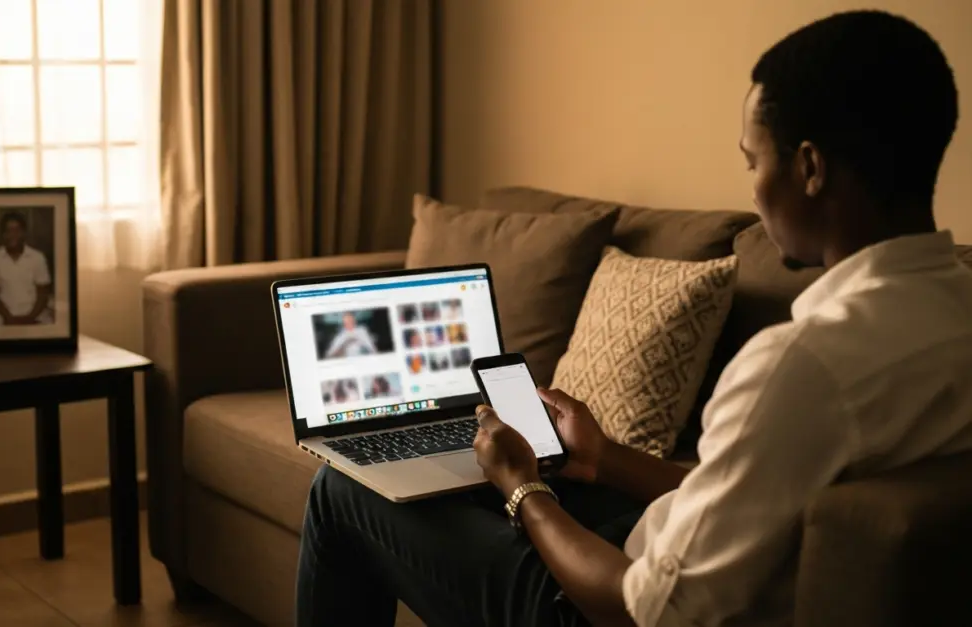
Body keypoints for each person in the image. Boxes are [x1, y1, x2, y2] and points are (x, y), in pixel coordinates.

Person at [296, 10, 972, 626]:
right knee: (474, 477)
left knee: (341, 487)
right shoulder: (954, 310)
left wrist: (523, 487)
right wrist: (607, 459)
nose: (754, 188)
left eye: (752, 160)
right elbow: (755, 492)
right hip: (690, 557)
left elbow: (642, 611)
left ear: (810, 167)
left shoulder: (802, 363)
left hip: (602, 608)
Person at [0, 212, 52, 326]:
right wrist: (9, 318)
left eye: (17, 230)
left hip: (35, 317)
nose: (13, 235)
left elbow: (43, 294)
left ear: (24, 233)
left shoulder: (37, 257)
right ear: (3, 234)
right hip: (3, 318)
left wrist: (29, 319)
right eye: (8, 231)